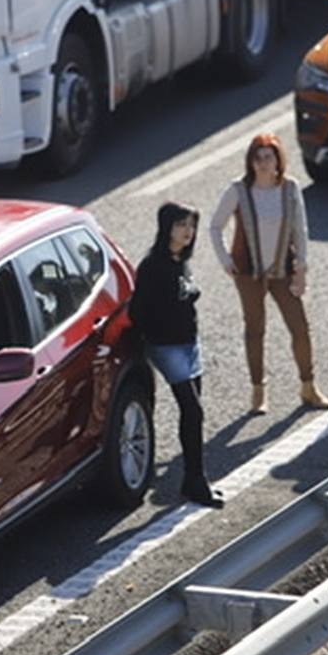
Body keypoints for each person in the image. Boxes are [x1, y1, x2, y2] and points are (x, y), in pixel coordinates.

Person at [209, 132, 328, 413]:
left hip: (283, 269)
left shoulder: (290, 189)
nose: (263, 163)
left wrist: (301, 268)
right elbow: (215, 226)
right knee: (255, 329)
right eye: (258, 158)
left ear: (279, 160)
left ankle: (308, 386)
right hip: (248, 271)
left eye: (269, 157)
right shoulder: (238, 190)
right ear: (251, 162)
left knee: (299, 327)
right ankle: (258, 392)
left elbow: (300, 231)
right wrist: (225, 259)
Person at [128, 202, 223, 508]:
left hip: (190, 344)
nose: (188, 231)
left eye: (191, 225)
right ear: (166, 227)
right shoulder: (153, 266)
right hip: (167, 347)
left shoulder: (180, 260)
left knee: (193, 414)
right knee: (193, 411)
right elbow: (137, 311)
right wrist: (153, 336)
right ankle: (197, 481)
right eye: (181, 224)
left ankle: (191, 480)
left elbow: (184, 293)